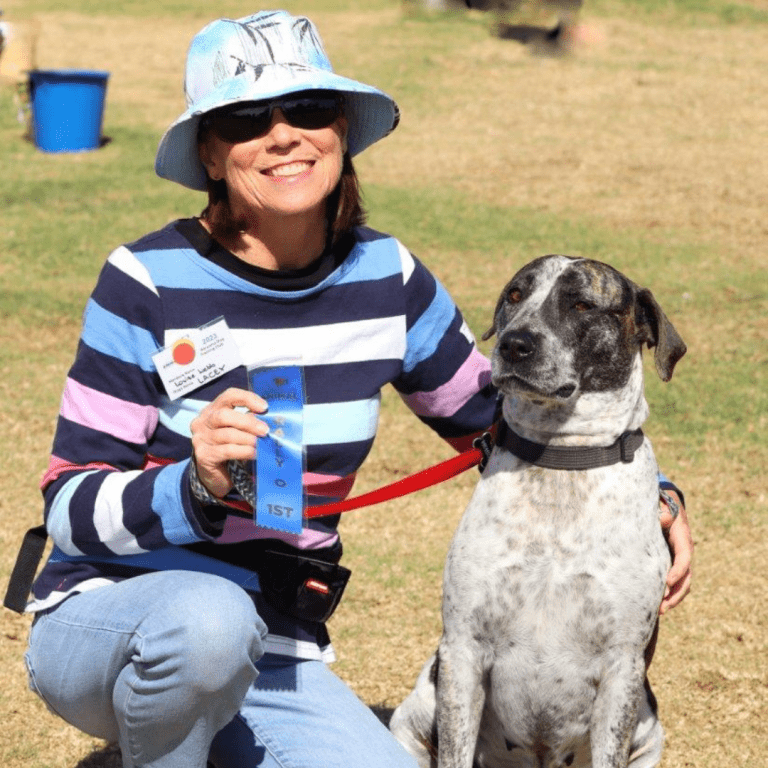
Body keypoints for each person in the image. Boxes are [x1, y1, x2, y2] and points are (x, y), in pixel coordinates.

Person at [21, 10, 692, 768]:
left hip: (277, 653)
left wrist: (656, 497)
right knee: (208, 622)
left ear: (341, 129)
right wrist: (191, 488)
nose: (283, 135)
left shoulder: (388, 280)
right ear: (209, 152)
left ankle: (187, 737)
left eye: (308, 109)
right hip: (109, 620)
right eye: (246, 118)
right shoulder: (144, 280)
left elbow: (504, 422)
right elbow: (68, 507)